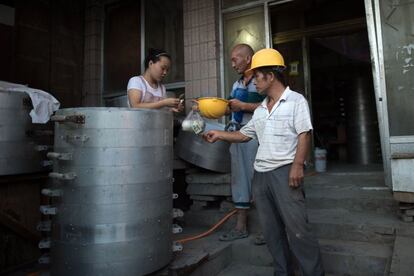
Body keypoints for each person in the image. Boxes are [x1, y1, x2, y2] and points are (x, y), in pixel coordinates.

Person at [203, 48, 324, 275]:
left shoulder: (295, 101)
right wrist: (219, 135)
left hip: (285, 172)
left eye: (257, 76)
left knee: (298, 230)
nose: (254, 82)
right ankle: (283, 271)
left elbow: (304, 134)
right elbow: (245, 134)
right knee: (272, 232)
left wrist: (298, 165)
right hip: (261, 175)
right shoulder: (261, 109)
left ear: (271, 76)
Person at [218, 44, 265, 242]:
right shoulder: (237, 85)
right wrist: (210, 107)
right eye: (231, 59)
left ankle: (267, 228)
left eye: (235, 58)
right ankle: (240, 226)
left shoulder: (262, 80)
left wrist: (244, 105)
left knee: (261, 180)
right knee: (239, 179)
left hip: (257, 136)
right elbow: (230, 108)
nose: (232, 63)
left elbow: (270, 106)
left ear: (248, 58)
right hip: (237, 136)